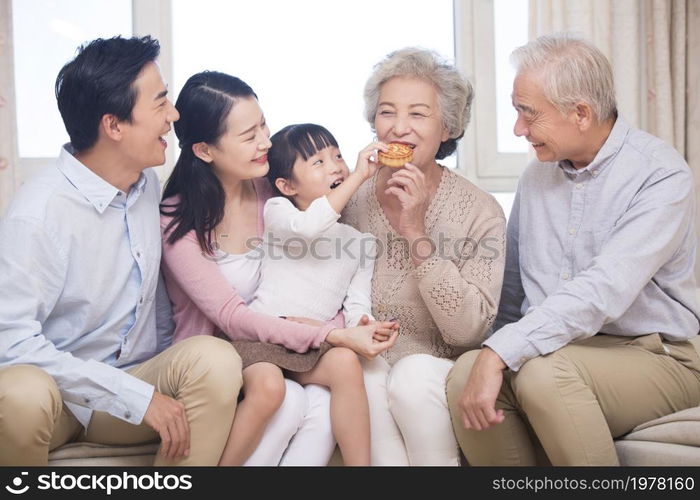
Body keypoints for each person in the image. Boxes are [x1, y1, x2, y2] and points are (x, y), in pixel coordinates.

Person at [446, 33, 700, 466]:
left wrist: (502, 353)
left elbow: (605, 289)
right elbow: (513, 296)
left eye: (529, 114)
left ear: (580, 113)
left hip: (657, 354)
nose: (518, 129)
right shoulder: (535, 178)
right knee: (464, 374)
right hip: (561, 348)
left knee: (545, 376)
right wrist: (487, 353)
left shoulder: (660, 175)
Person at [0, 36, 243, 466]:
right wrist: (132, 395)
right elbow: (11, 343)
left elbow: (159, 301)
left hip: (135, 379)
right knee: (19, 394)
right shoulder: (37, 215)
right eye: (160, 102)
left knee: (216, 360)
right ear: (114, 126)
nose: (174, 115)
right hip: (60, 395)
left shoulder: (146, 182)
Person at [160, 72, 397, 465]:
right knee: (279, 394)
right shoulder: (178, 221)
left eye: (263, 125)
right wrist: (329, 335)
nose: (265, 142)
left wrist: (345, 327)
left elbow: (317, 273)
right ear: (204, 150)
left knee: (330, 384)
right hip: (223, 359)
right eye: (248, 135)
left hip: (286, 340)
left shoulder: (271, 188)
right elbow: (233, 319)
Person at [341, 47, 506, 465]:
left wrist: (415, 232)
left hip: (436, 367)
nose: (399, 128)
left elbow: (468, 330)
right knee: (364, 373)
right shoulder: (349, 197)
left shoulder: (480, 211)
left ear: (447, 126)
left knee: (411, 378)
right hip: (363, 359)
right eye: (387, 112)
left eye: (417, 114)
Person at [219, 123, 398, 466]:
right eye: (318, 162)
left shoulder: (360, 242)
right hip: (263, 340)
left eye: (338, 156)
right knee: (269, 384)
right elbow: (310, 227)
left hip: (311, 345)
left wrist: (367, 325)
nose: (335, 166)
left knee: (346, 362)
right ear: (287, 185)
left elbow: (357, 302)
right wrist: (358, 177)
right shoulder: (280, 212)